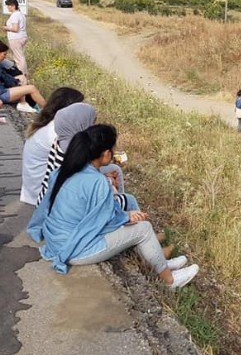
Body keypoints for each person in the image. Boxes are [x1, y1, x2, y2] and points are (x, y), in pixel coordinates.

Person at [26, 124, 199, 289]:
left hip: (56, 240)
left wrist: (125, 216)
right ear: (106, 153)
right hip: (75, 249)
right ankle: (169, 281)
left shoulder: (64, 170)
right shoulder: (97, 181)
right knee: (143, 228)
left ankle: (158, 260)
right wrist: (127, 216)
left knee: (132, 217)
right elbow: (102, 220)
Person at [21, 87, 84, 205]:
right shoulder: (56, 132)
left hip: (33, 188)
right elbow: (73, 165)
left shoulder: (47, 124)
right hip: (43, 193)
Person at [0, 41, 45, 113]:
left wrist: (16, 81)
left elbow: (6, 77)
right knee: (32, 88)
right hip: (2, 94)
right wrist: (16, 83)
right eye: (4, 54)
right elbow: (6, 79)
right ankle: (49, 111)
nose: (5, 57)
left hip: (3, 90)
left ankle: (23, 103)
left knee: (21, 79)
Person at [3, 0, 28, 77]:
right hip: (22, 36)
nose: (8, 7)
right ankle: (22, 73)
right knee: (20, 56)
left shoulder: (15, 15)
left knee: (19, 58)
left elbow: (15, 28)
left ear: (13, 6)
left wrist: (5, 27)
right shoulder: (20, 14)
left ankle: (22, 75)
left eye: (9, 6)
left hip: (16, 38)